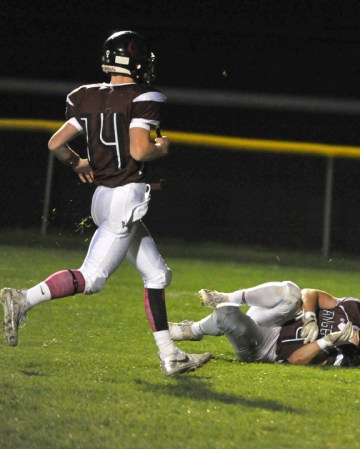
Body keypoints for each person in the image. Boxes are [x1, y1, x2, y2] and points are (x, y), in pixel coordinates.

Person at [1, 30, 210, 376]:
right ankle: (23, 297)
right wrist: (163, 147)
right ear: (135, 61)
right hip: (124, 198)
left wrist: (78, 163)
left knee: (157, 274)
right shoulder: (145, 95)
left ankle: (170, 356)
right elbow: (140, 149)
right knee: (93, 278)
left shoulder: (84, 95)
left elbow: (56, 144)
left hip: (103, 197)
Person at [168, 280, 360, 368]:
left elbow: (295, 360)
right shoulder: (355, 310)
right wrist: (310, 316)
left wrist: (326, 341)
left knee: (226, 316)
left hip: (267, 346)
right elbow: (311, 293)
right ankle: (227, 296)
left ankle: (193, 330)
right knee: (291, 292)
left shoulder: (347, 358)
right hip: (278, 318)